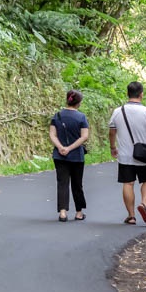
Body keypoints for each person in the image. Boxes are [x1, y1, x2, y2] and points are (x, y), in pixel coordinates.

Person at [108, 81, 146, 225]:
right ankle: (144, 204)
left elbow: (111, 131)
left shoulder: (118, 111)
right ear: (141, 94)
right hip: (143, 155)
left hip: (125, 156)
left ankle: (131, 216)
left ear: (127, 94)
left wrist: (112, 147)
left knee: (128, 183)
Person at [49, 89, 90, 222]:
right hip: (77, 155)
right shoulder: (81, 117)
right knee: (77, 184)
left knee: (62, 182)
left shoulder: (57, 116)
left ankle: (62, 213)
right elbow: (84, 136)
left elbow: (52, 135)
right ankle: (79, 212)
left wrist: (61, 147)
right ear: (79, 103)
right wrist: (70, 148)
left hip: (59, 155)